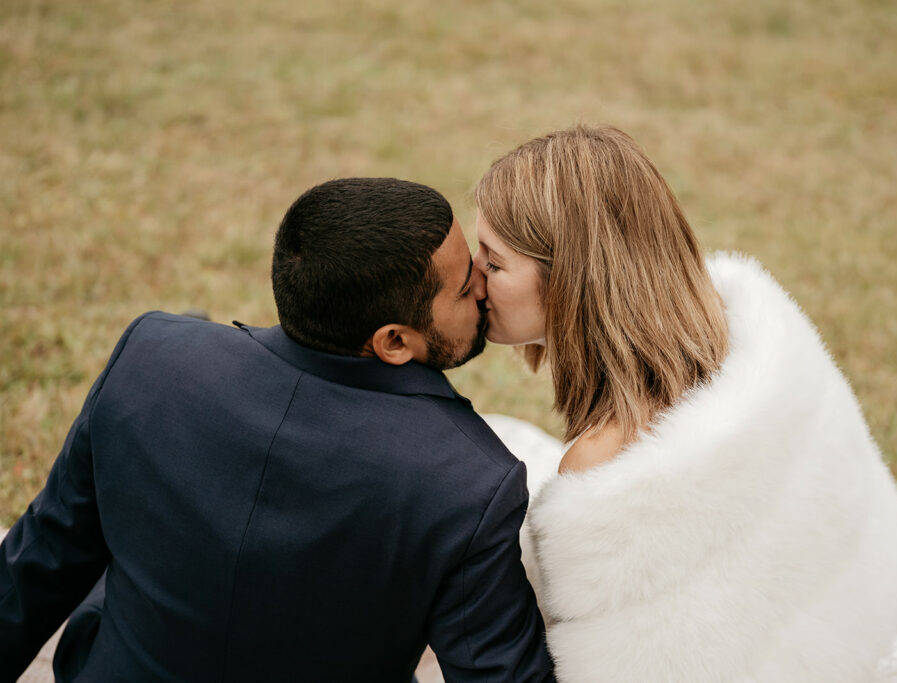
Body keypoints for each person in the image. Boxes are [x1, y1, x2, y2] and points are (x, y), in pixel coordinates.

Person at [0, 178, 555, 682]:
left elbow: (37, 565)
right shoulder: (468, 481)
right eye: (463, 288)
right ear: (392, 341)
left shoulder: (151, 359)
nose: (483, 286)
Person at [472, 125, 897, 681]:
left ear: (570, 277)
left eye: (494, 264)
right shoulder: (737, 337)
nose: (474, 280)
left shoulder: (606, 468)